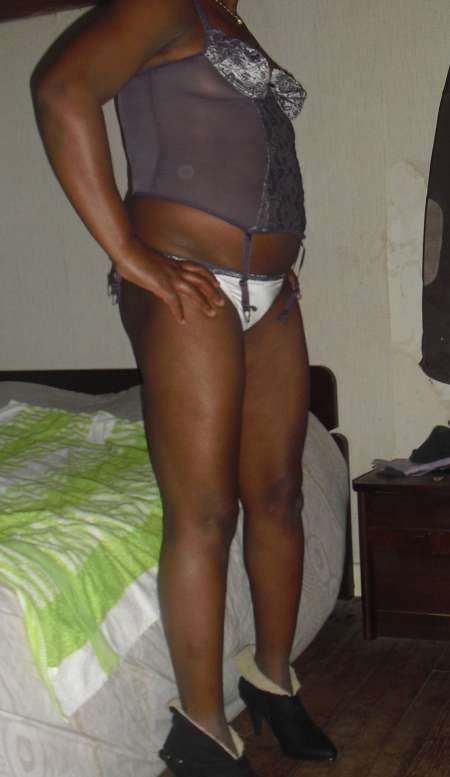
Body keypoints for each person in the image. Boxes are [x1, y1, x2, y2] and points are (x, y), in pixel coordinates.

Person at [32, 1, 337, 774]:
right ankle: (203, 730)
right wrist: (128, 252)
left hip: (272, 292)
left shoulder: (231, 18)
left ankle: (271, 677)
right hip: (187, 280)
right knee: (206, 509)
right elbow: (62, 88)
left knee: (279, 494)